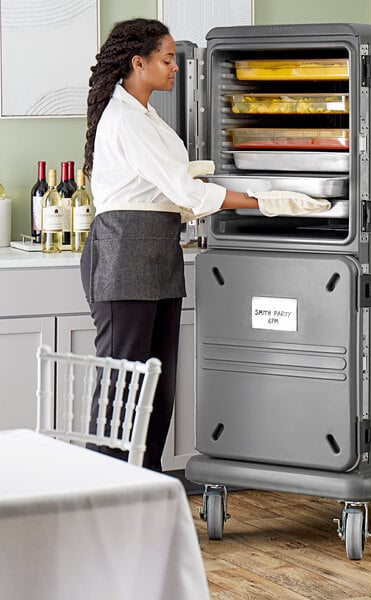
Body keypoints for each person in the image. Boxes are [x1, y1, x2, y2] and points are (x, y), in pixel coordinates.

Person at [80, 18, 258, 470]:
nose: (174, 67)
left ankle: (146, 484)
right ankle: (105, 489)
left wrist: (196, 182)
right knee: (124, 385)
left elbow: (172, 187)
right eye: (165, 59)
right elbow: (184, 192)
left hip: (159, 253)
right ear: (138, 63)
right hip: (123, 255)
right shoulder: (124, 119)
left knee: (157, 388)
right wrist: (260, 201)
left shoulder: (147, 116)